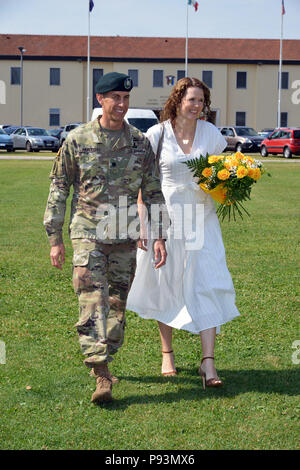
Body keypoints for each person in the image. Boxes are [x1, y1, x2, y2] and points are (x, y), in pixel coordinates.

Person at [44, 72, 167, 404]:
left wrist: (159, 236)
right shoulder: (78, 139)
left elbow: (154, 193)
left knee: (115, 307)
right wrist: (55, 237)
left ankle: (104, 353)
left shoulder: (140, 143)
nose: (121, 104)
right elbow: (59, 189)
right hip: (88, 233)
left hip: (125, 236)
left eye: (126, 98)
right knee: (91, 298)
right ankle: (101, 373)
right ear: (100, 99)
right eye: (115, 97)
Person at [127, 77, 240, 389]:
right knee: (165, 283)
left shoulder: (212, 134)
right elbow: (142, 180)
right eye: (192, 100)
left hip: (202, 219)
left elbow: (221, 173)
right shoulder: (156, 133)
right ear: (177, 100)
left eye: (201, 101)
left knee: (209, 282)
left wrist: (231, 186)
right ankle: (167, 352)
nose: (197, 106)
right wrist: (141, 221)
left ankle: (209, 363)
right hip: (165, 218)